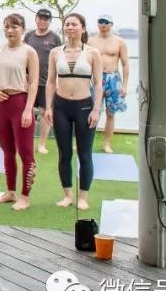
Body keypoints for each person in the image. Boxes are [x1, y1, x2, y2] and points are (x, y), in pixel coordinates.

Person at [44, 13, 102, 210]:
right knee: (64, 153)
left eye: (74, 24)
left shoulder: (92, 53)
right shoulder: (55, 52)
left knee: (85, 155)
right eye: (67, 24)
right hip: (61, 107)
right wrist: (49, 107)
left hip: (84, 107)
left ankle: (83, 197)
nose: (69, 27)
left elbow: (98, 84)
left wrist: (96, 110)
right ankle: (68, 195)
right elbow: (50, 82)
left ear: (82, 28)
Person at [0, 13, 39, 211]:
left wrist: (28, 110)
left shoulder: (29, 52)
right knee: (7, 151)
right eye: (7, 26)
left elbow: (33, 84)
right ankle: (10, 191)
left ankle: (25, 196)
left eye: (15, 26)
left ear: (23, 29)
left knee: (25, 153)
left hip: (20, 103)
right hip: (1, 104)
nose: (10, 30)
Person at [88, 15, 129, 153]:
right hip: (96, 78)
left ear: (111, 24)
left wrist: (124, 85)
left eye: (106, 22)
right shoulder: (90, 41)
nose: (103, 24)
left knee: (111, 114)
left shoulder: (120, 42)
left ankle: (106, 144)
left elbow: (125, 64)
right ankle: (87, 143)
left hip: (113, 78)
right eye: (101, 21)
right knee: (92, 112)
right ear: (97, 24)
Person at [24, 9, 61, 155]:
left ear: (49, 21)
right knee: (27, 111)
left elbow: (59, 59)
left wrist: (57, 81)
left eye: (46, 19)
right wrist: (24, 76)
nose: (42, 21)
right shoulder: (29, 36)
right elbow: (23, 56)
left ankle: (42, 144)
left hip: (46, 83)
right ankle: (26, 143)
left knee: (45, 112)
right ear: (36, 19)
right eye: (40, 18)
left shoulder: (55, 38)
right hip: (28, 82)